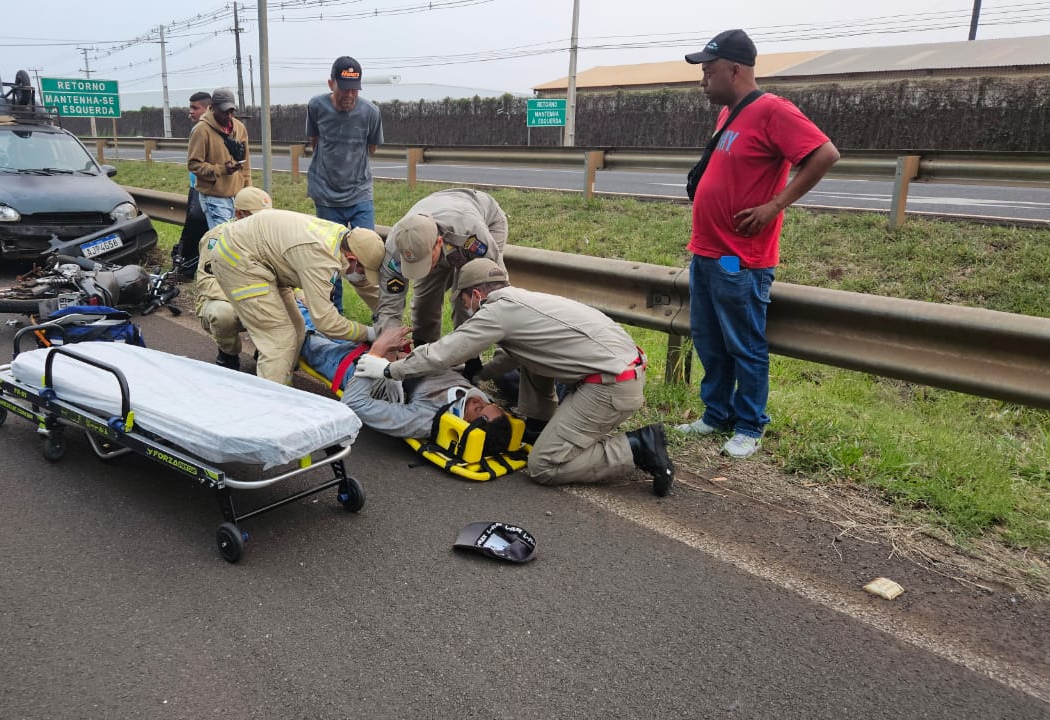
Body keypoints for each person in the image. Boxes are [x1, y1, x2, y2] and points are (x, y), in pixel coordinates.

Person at [354, 258, 674, 495]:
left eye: (463, 301)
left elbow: (445, 351)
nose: (465, 309)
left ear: (475, 294)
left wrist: (388, 368)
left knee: (543, 466)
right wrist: (480, 374)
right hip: (619, 368)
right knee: (527, 358)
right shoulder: (523, 302)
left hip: (610, 387)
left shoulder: (496, 311)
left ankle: (636, 448)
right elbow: (515, 355)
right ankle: (539, 425)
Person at [679, 29, 840, 458]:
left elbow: (824, 153)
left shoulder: (773, 110)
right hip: (708, 251)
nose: (703, 81)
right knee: (709, 340)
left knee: (744, 344)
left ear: (735, 69)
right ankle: (716, 414)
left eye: (709, 72)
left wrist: (776, 204)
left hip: (740, 259)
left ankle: (749, 425)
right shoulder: (728, 113)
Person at [207, 209, 386, 385]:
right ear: (352, 258)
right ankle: (271, 402)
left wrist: (388, 321)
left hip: (266, 261)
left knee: (297, 328)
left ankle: (280, 378)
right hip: (239, 261)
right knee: (280, 339)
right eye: (364, 271)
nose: (363, 277)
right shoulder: (321, 258)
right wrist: (371, 333)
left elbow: (366, 287)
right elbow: (326, 322)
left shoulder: (344, 239)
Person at [300, 319, 513, 443]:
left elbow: (354, 403)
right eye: (485, 403)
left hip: (359, 371)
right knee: (325, 319)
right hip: (387, 355)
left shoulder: (425, 419)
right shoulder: (471, 395)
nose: (477, 400)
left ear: (464, 428)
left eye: (478, 409)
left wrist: (377, 352)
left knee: (300, 332)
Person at [376, 188, 509, 347]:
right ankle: (424, 349)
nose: (423, 270)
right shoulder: (396, 246)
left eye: (425, 261)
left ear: (438, 243)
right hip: (440, 213)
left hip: (482, 219)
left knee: (466, 298)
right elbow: (389, 306)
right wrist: (388, 344)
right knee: (424, 302)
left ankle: (470, 356)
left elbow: (499, 287)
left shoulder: (472, 232)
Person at [306, 56, 383, 312]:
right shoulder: (316, 106)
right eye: (344, 89)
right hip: (326, 196)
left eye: (354, 89)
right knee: (331, 259)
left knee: (368, 256)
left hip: (360, 193)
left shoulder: (370, 112)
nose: (349, 95)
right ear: (331, 84)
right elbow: (315, 141)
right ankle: (334, 314)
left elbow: (371, 148)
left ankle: (381, 314)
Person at [195, 186, 274, 370]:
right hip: (224, 299)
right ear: (239, 214)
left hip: (260, 296)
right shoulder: (217, 238)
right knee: (223, 315)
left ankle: (269, 352)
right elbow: (206, 282)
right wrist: (244, 299)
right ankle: (228, 353)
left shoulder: (270, 237)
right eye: (258, 217)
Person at [186, 88, 250, 230]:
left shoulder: (239, 128)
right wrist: (221, 169)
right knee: (223, 240)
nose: (229, 115)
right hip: (215, 197)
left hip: (238, 195)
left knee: (236, 238)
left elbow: (246, 164)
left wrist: (247, 189)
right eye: (224, 111)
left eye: (232, 111)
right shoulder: (201, 130)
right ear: (213, 108)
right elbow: (193, 164)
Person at [171, 91, 212, 280]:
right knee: (196, 229)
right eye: (190, 107)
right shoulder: (198, 129)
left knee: (196, 228)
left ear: (208, 108)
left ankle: (188, 268)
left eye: (196, 108)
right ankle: (188, 267)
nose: (191, 112)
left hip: (204, 189)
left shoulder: (206, 130)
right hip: (195, 187)